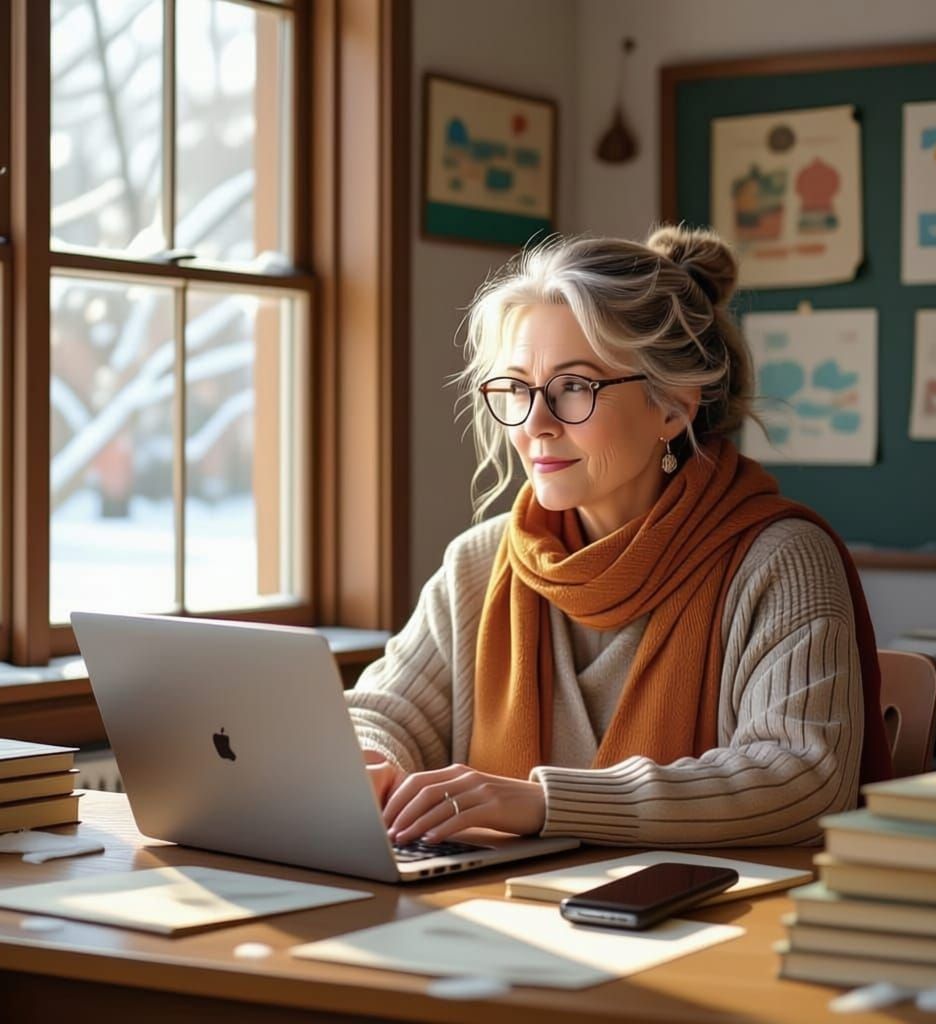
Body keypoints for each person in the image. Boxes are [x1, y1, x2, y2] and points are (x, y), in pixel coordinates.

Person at [347, 224, 892, 850]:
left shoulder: (780, 560)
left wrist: (544, 803)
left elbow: (801, 777)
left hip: (704, 927)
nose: (535, 424)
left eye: (575, 387)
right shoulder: (480, 563)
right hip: (495, 918)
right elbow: (383, 710)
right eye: (517, 388)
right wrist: (368, 760)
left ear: (673, 407)